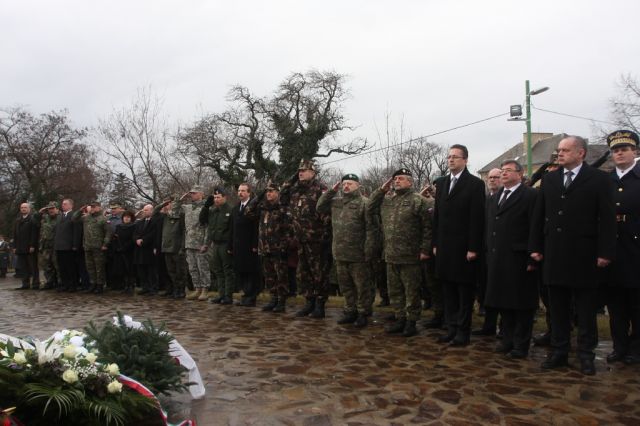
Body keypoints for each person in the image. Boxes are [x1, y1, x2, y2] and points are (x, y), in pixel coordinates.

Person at [530, 135, 616, 375]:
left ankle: (586, 354)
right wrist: (535, 246)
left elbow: (607, 219)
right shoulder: (550, 179)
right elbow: (539, 215)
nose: (560, 153)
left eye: (565, 150)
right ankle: (559, 351)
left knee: (585, 310)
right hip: (554, 253)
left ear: (581, 153)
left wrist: (605, 252)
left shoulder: (598, 179)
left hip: (584, 254)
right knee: (557, 308)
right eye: (559, 150)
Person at [368, 168, 433, 337]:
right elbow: (370, 208)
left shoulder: (418, 201)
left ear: (410, 182)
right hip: (391, 255)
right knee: (395, 291)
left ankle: (411, 322)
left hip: (410, 256)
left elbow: (428, 228)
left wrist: (425, 249)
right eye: (395, 178)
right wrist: (381, 190)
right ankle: (400, 319)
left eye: (401, 178)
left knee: (411, 292)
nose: (396, 181)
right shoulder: (388, 200)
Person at [432, 144, 486, 346]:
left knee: (464, 293)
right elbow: (437, 216)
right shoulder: (442, 183)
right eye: (449, 157)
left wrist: (473, 247)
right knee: (448, 291)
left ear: (465, 160)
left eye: (455, 156)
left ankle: (463, 332)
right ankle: (451, 328)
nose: (451, 160)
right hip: (445, 247)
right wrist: (435, 243)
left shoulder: (474, 184)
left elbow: (477, 218)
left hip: (464, 249)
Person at [484, 160, 538, 358]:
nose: (504, 174)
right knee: (503, 302)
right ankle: (507, 339)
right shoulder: (495, 196)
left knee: (521, 304)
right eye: (502, 171)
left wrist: (533, 257)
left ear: (520, 174)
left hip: (520, 257)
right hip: (498, 257)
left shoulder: (530, 195)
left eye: (508, 170)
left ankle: (521, 344)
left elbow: (535, 226)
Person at [318, 174, 375, 327]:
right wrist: (332, 191)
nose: (346, 186)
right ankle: (350, 311)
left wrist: (369, 249)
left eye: (350, 183)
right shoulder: (337, 202)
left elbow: (371, 229)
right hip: (340, 252)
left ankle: (363, 313)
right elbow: (320, 207)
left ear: (358, 186)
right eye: (344, 184)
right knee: (346, 286)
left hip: (358, 253)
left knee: (362, 287)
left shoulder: (365, 203)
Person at [604, 130, 640, 365]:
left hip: (636, 249)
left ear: (634, 151)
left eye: (624, 149)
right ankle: (619, 346)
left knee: (636, 304)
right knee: (615, 304)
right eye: (615, 150)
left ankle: (636, 349)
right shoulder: (606, 181)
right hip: (612, 249)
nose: (619, 153)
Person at [280, 159, 330, 318]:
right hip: (300, 240)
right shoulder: (296, 190)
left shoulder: (320, 189)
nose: (300, 173)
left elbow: (327, 215)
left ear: (313, 173)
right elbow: (282, 195)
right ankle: (309, 302)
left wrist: (325, 238)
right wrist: (294, 177)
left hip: (317, 241)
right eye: (299, 171)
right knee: (303, 273)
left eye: (304, 171)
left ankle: (320, 304)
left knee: (319, 274)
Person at [245, 183, 292, 312]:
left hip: (278, 249)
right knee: (269, 276)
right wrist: (259, 195)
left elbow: (289, 230)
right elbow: (248, 211)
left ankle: (281, 302)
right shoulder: (263, 208)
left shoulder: (283, 207)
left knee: (281, 277)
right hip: (265, 248)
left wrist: (284, 246)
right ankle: (273, 299)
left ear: (278, 192)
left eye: (271, 191)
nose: (268, 193)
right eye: (267, 191)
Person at [473, 168, 502, 336]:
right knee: (487, 289)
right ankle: (489, 325)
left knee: (501, 290)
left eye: (496, 177)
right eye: (490, 177)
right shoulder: (485, 199)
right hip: (485, 251)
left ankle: (504, 327)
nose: (492, 180)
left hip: (502, 253)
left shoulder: (506, 198)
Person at [228, 183, 261, 307]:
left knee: (250, 272)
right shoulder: (236, 208)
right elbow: (232, 228)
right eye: (239, 191)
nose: (240, 193)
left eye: (243, 191)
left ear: (249, 193)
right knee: (241, 272)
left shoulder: (254, 207)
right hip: (238, 246)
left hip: (249, 246)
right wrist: (230, 245)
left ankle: (251, 297)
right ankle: (245, 296)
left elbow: (256, 228)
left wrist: (255, 244)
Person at [200, 188, 234, 305]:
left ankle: (228, 296)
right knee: (218, 271)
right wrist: (206, 206)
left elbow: (233, 230)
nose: (216, 199)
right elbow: (203, 220)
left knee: (227, 270)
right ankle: (221, 295)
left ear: (225, 197)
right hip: (215, 244)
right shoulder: (213, 211)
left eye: (218, 197)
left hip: (226, 244)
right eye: (214, 197)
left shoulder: (230, 210)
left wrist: (231, 246)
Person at [180, 185, 211, 301]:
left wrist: (206, 243)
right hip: (189, 242)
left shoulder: (206, 207)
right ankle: (197, 289)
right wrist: (182, 197)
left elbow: (208, 227)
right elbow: (174, 208)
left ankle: (205, 290)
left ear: (201, 194)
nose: (192, 195)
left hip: (200, 243)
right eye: (191, 193)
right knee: (192, 268)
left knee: (203, 267)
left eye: (194, 193)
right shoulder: (188, 207)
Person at [73, 202, 112, 294]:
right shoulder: (86, 218)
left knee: (99, 267)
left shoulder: (103, 219)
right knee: (90, 267)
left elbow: (108, 233)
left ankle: (100, 285)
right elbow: (74, 219)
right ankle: (93, 284)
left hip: (99, 247)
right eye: (91, 207)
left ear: (99, 208)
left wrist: (105, 244)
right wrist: (80, 210)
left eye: (94, 207)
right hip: (88, 246)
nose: (92, 209)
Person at [154, 198, 187, 298]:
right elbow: (155, 212)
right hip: (166, 248)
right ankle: (175, 289)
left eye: (172, 204)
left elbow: (184, 232)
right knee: (171, 271)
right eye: (169, 204)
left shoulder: (181, 216)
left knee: (180, 271)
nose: (170, 206)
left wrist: (182, 247)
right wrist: (164, 203)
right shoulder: (164, 216)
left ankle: (181, 290)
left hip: (177, 248)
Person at [54, 198, 81, 292]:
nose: (63, 205)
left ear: (71, 205)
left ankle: (72, 285)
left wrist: (75, 245)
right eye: (62, 204)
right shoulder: (59, 216)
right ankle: (65, 284)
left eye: (65, 204)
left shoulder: (74, 216)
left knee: (71, 267)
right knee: (62, 267)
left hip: (69, 246)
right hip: (59, 246)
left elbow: (76, 231)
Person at [133, 204, 159, 295]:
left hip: (149, 248)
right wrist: (136, 239)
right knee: (141, 270)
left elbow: (154, 234)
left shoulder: (155, 222)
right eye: (144, 210)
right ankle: (145, 287)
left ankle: (153, 288)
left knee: (151, 270)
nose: (144, 212)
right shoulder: (140, 222)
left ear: (151, 211)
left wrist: (143, 240)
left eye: (146, 210)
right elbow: (135, 233)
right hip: (139, 249)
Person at [13, 202, 39, 290]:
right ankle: (25, 284)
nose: (23, 209)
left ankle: (35, 284)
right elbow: (15, 235)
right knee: (23, 267)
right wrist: (14, 247)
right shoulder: (17, 220)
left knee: (33, 266)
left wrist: (32, 245)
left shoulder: (32, 219)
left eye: (25, 207)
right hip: (20, 247)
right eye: (22, 207)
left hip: (29, 247)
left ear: (29, 209)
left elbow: (34, 234)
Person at [35, 202, 59, 290]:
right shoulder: (45, 218)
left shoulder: (60, 218)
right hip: (46, 246)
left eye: (53, 208)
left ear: (57, 209)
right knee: (46, 266)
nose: (51, 210)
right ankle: (49, 282)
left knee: (57, 266)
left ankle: (60, 283)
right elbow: (35, 222)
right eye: (49, 209)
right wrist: (40, 213)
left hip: (56, 246)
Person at [113, 210, 137, 293]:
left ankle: (131, 285)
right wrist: (117, 247)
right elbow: (115, 237)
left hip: (130, 251)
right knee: (122, 269)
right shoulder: (119, 226)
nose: (126, 218)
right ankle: (125, 285)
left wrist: (125, 247)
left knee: (130, 269)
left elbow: (133, 239)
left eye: (128, 217)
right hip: (120, 251)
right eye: (125, 217)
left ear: (131, 218)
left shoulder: (134, 226)